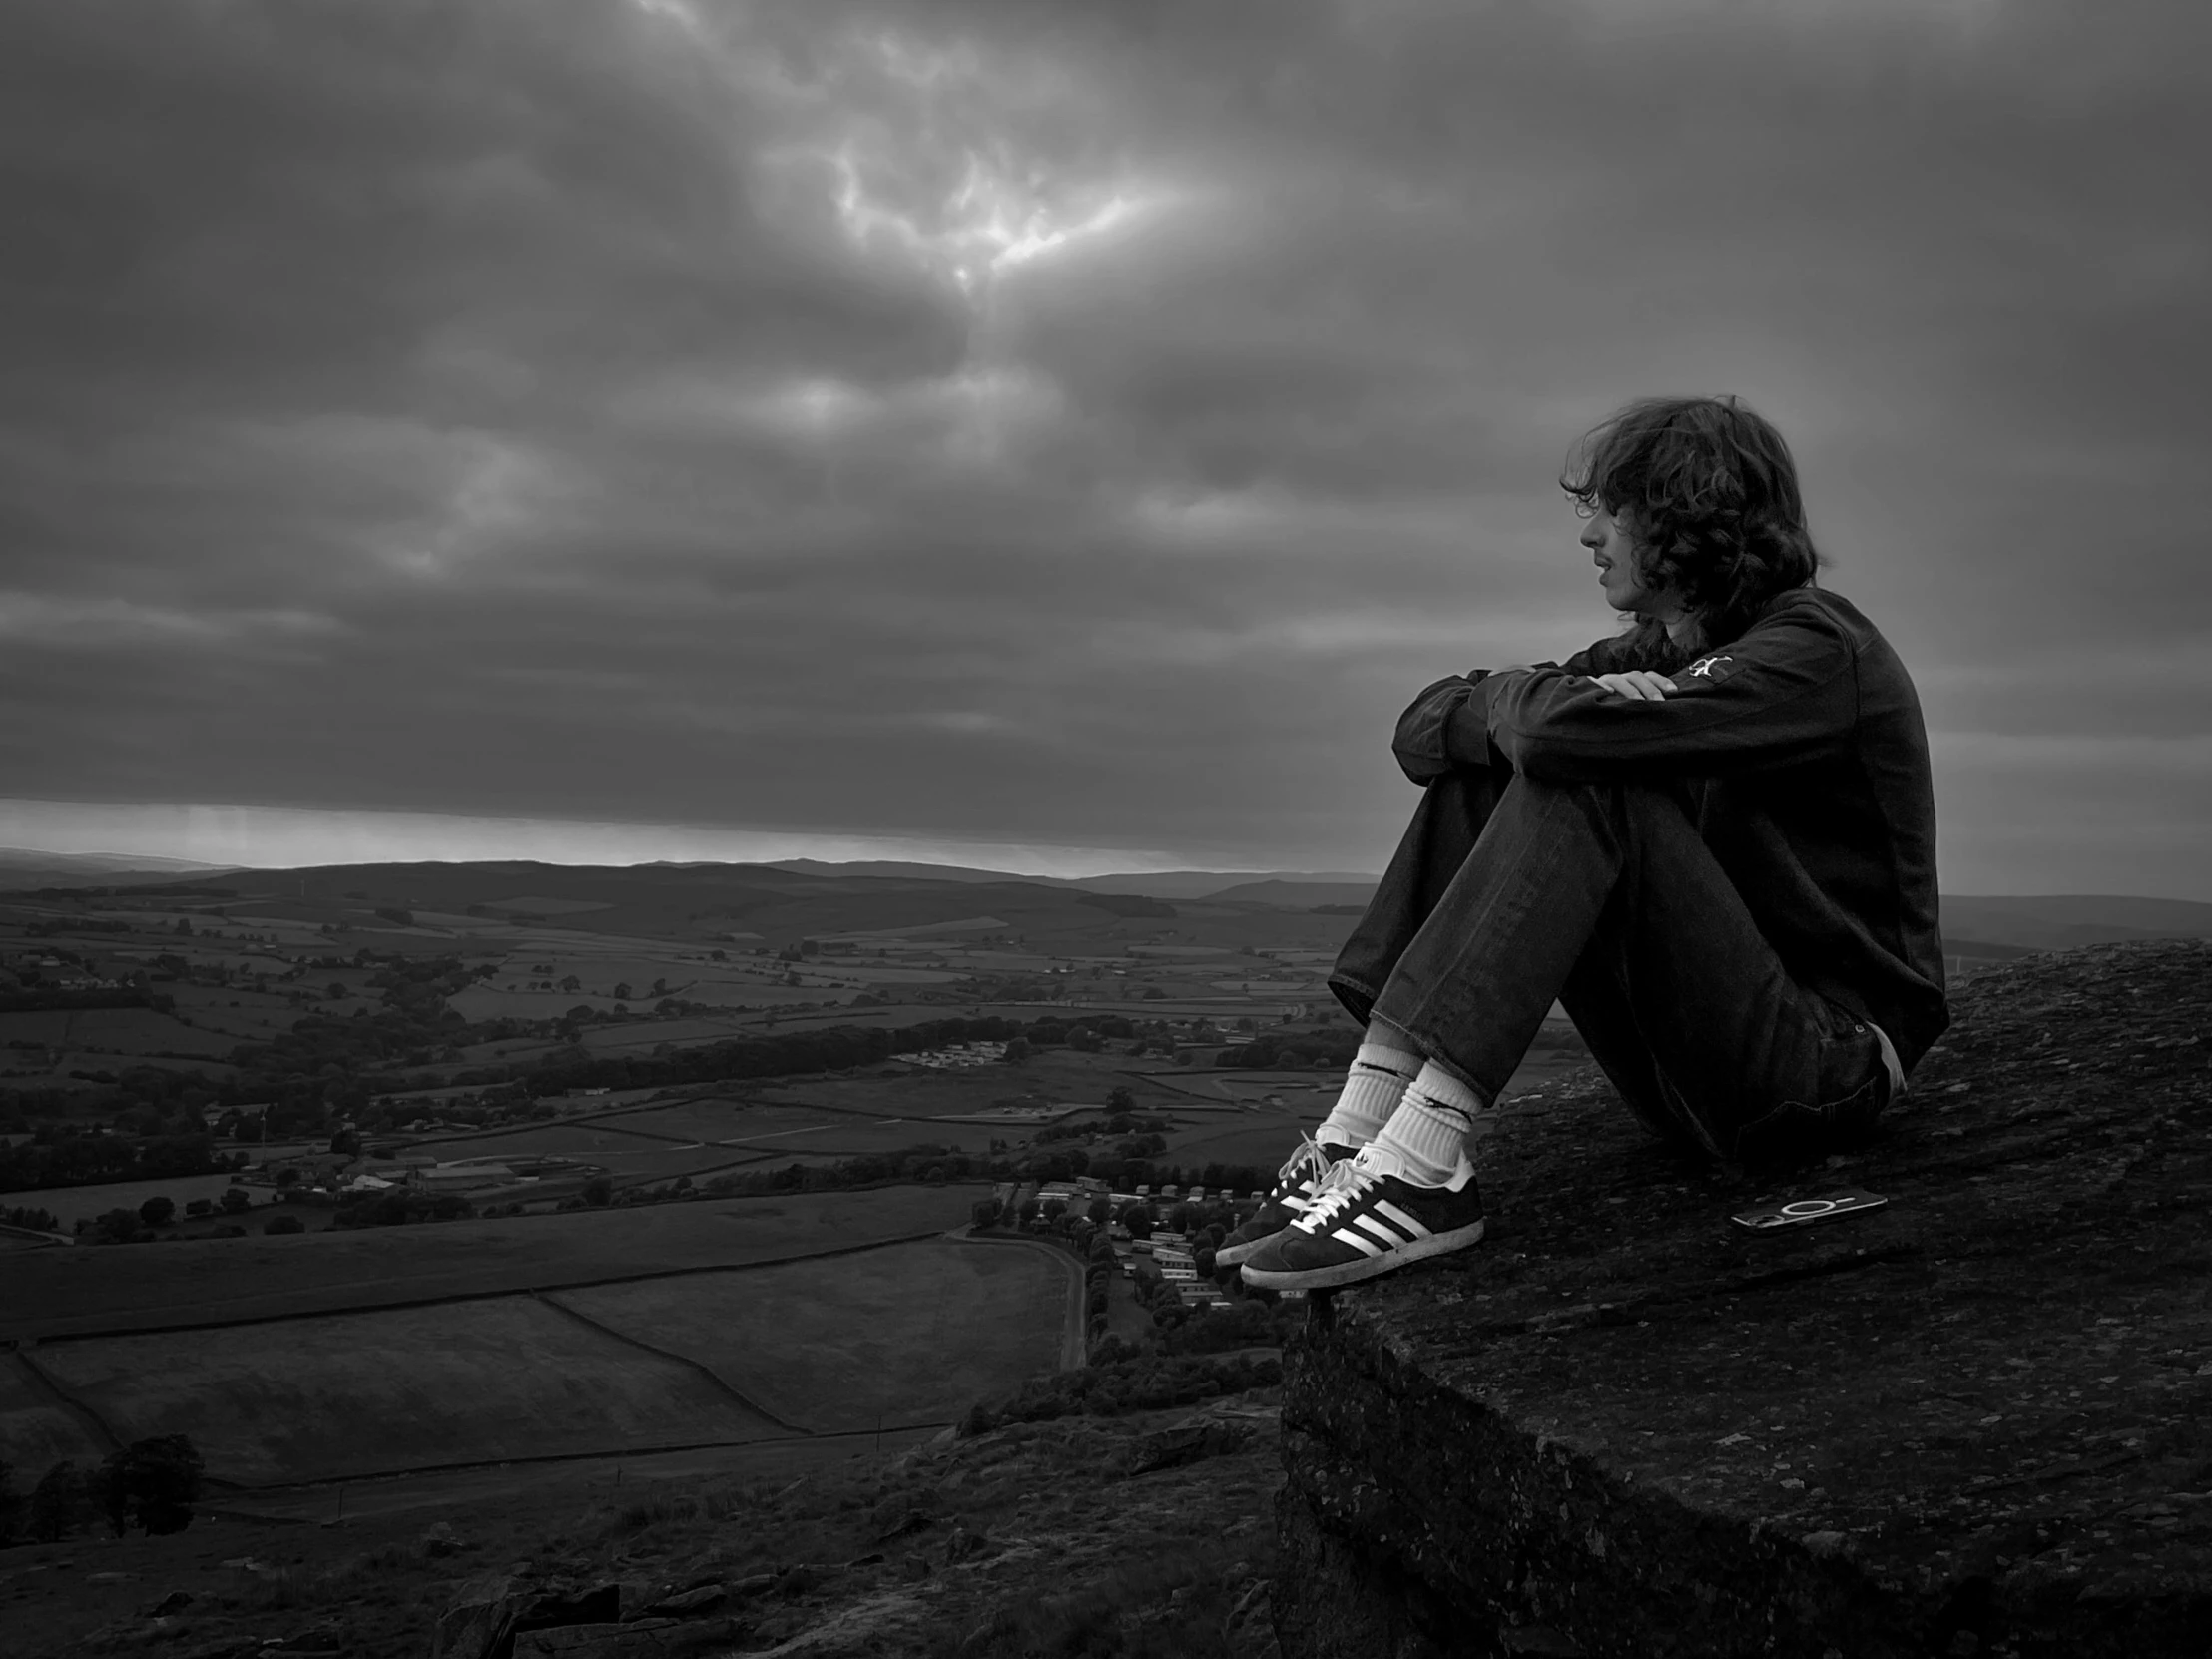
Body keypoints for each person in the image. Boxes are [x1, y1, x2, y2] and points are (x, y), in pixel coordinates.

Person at [1224, 396, 1946, 1292]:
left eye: (1613, 509)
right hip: (1690, 1064)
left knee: (1586, 773)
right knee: (1489, 764)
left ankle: (1424, 1164)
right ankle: (1357, 1131)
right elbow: (1421, 727)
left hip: (1821, 1072)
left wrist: (1528, 709)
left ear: (1685, 517)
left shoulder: (1812, 651)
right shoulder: (1654, 648)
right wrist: (1511, 707)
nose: (1590, 536)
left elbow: (1562, 743)